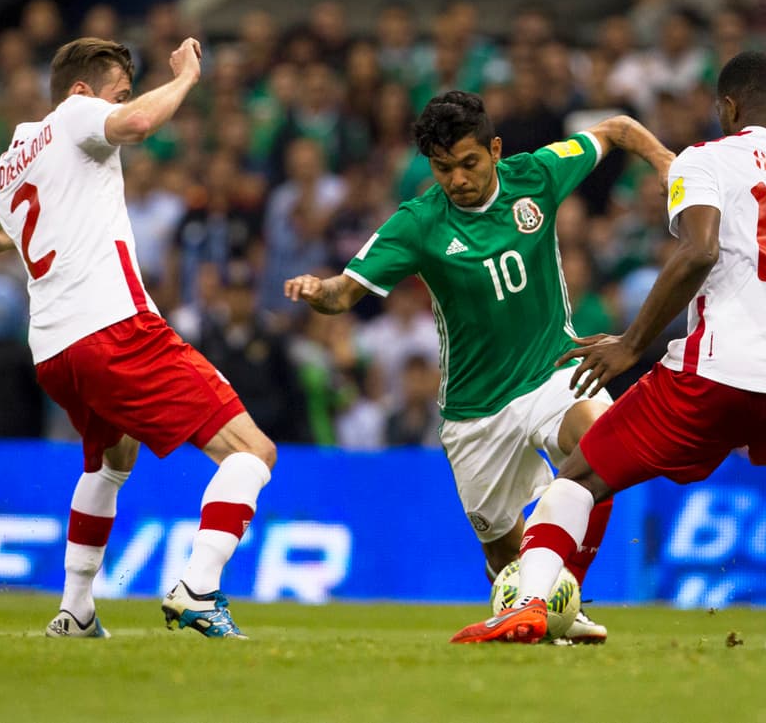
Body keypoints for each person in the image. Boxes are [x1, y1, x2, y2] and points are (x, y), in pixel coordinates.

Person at [449, 51, 766, 651]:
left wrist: (630, 345)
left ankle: (531, 604)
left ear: (728, 106)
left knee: (581, 476)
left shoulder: (707, 158)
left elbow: (699, 251)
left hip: (711, 374)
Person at [285, 90, 674, 644]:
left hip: (552, 368)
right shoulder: (419, 223)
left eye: (469, 163)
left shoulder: (537, 175)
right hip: (475, 408)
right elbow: (345, 293)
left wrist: (665, 161)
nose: (458, 179)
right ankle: (523, 598)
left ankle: (566, 598)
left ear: (494, 150)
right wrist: (317, 289)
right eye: (444, 169)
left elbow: (615, 128)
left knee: (598, 448)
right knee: (502, 551)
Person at [0, 37, 277, 640]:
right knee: (252, 452)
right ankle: (198, 589)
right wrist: (184, 79)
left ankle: (75, 610)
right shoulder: (77, 115)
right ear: (81, 90)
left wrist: (40, 230)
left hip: (54, 351)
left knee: (113, 460)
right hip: (112, 327)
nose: (124, 103)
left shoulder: (11, 159)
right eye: (119, 90)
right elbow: (135, 124)